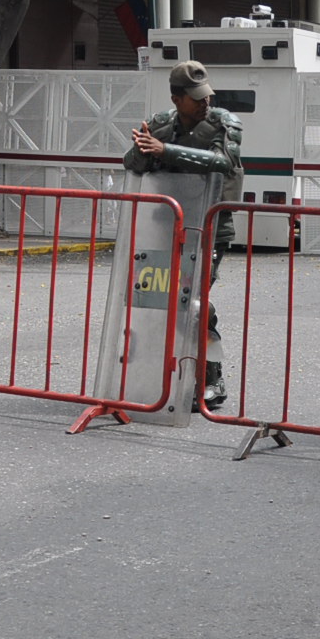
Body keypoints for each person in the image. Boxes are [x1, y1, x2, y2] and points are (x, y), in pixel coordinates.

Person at [124, 60, 244, 409]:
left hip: (210, 227)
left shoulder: (225, 122)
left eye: (206, 94)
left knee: (192, 303)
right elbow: (133, 163)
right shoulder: (162, 123)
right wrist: (143, 147)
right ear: (177, 99)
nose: (205, 101)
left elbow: (224, 162)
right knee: (161, 302)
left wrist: (167, 151)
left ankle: (211, 379)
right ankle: (155, 379)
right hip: (167, 225)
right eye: (195, 96)